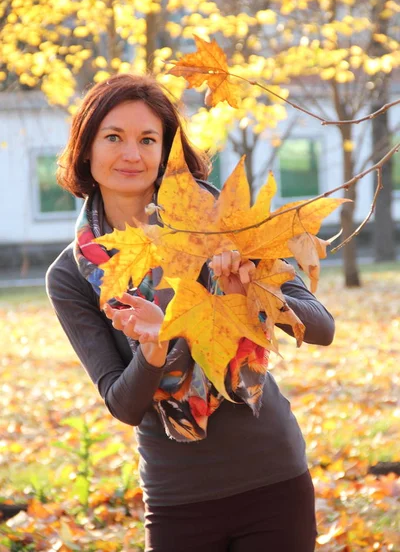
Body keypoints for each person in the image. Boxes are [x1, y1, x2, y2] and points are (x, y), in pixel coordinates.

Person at [46, 73, 335, 552]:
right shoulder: (73, 275)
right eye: (113, 137)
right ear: (86, 149)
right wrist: (155, 348)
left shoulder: (221, 222)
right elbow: (123, 403)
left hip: (272, 475)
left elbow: (320, 326)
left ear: (166, 151)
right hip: (177, 497)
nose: (131, 154)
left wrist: (252, 289)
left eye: (148, 139)